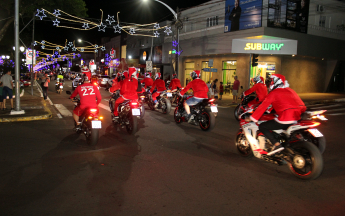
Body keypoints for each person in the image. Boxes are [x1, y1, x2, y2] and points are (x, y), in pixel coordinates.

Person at [246, 74, 306, 153]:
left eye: (271, 81)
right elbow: (301, 105)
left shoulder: (274, 93)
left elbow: (263, 106)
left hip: (285, 118)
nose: (270, 84)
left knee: (262, 126)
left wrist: (252, 118)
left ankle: (276, 144)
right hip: (296, 118)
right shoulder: (290, 90)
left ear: (276, 81)